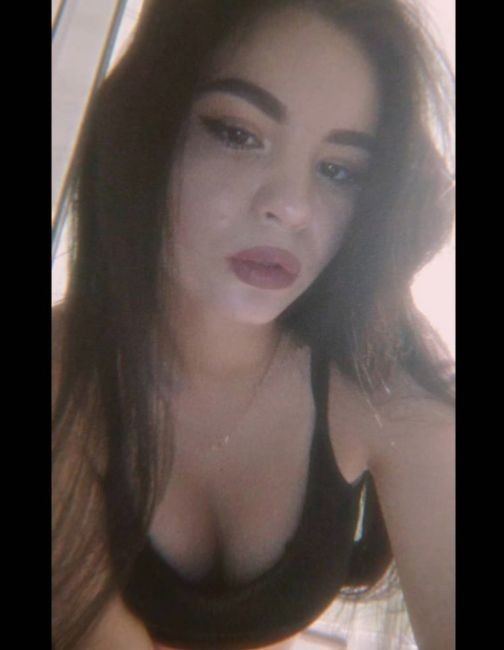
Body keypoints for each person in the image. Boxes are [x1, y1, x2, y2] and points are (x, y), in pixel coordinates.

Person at [52, 1, 455, 649]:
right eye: (238, 134)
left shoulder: (380, 392)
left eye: (339, 170)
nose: (291, 208)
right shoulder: (65, 377)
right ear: (148, 130)